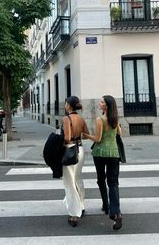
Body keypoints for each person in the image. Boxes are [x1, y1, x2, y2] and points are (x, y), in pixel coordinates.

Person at [83, 95, 122, 230]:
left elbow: (98, 139)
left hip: (100, 154)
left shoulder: (100, 120)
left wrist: (86, 135)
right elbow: (119, 134)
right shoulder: (115, 119)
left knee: (101, 179)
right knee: (113, 183)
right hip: (114, 153)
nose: (100, 103)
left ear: (106, 106)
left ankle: (106, 205)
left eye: (102, 102)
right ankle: (116, 212)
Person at [61, 96, 89, 227]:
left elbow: (66, 137)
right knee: (78, 178)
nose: (65, 105)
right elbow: (86, 134)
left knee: (69, 182)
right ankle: (81, 205)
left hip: (70, 150)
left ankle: (73, 214)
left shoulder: (66, 119)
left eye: (66, 103)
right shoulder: (81, 119)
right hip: (81, 149)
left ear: (69, 105)